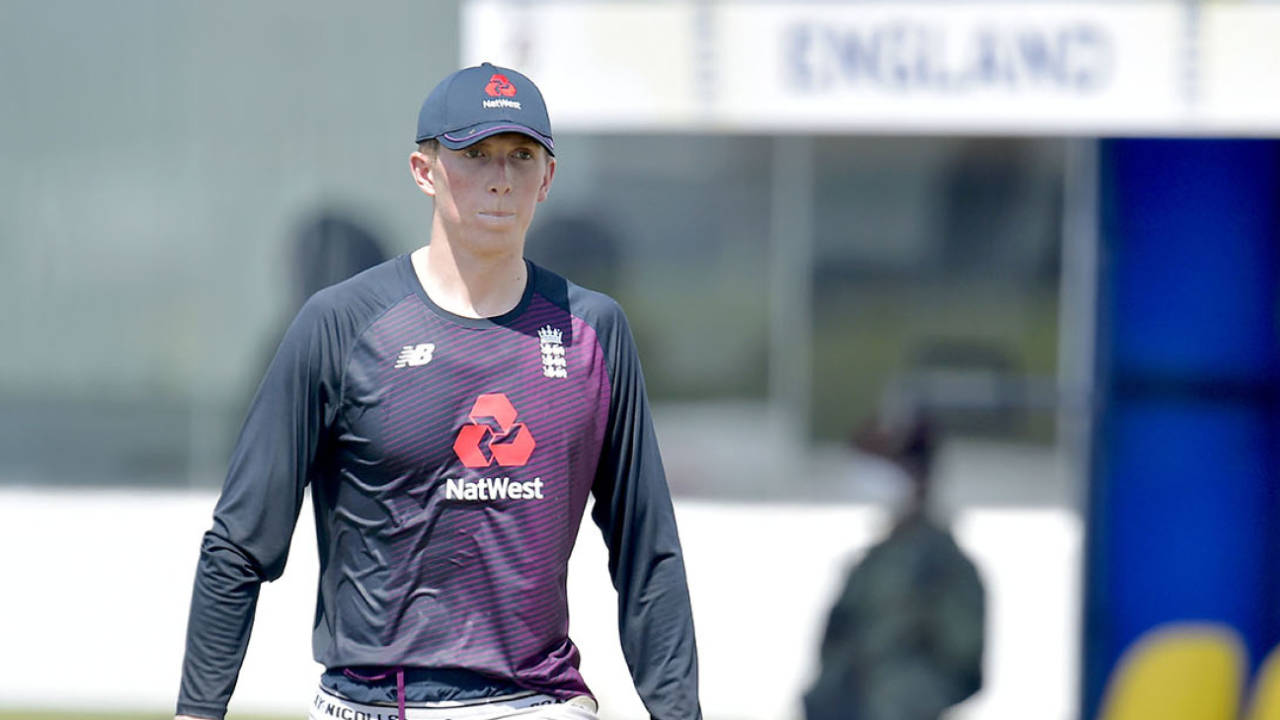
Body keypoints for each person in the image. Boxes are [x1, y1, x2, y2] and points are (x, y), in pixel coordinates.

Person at [175, 63, 701, 720]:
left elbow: (647, 552)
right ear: (424, 171)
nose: (501, 178)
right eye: (475, 154)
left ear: (548, 179)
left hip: (538, 703)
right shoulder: (340, 325)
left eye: (521, 156)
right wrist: (198, 712)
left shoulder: (592, 332)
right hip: (371, 704)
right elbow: (238, 544)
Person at [804, 413, 984, 720]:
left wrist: (902, 697)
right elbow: (837, 641)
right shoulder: (873, 562)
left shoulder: (944, 566)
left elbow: (963, 664)